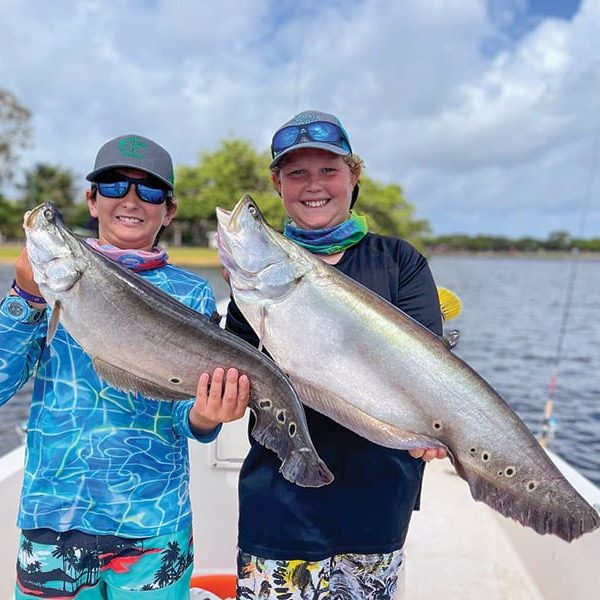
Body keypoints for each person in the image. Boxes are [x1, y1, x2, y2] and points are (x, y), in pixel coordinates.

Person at [0, 134, 249, 599]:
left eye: (150, 191)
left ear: (168, 211)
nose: (131, 200)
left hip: (152, 523)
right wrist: (25, 297)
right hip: (53, 515)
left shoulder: (190, 293)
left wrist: (205, 417)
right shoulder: (52, 276)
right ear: (92, 201)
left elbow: (183, 412)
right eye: (114, 186)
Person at [225, 111, 446, 599]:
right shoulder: (255, 272)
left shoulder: (399, 262)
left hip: (379, 500)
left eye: (328, 169)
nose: (313, 185)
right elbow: (240, 376)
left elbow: (428, 368)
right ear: (278, 185)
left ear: (353, 177)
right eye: (297, 173)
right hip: (279, 503)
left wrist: (438, 425)